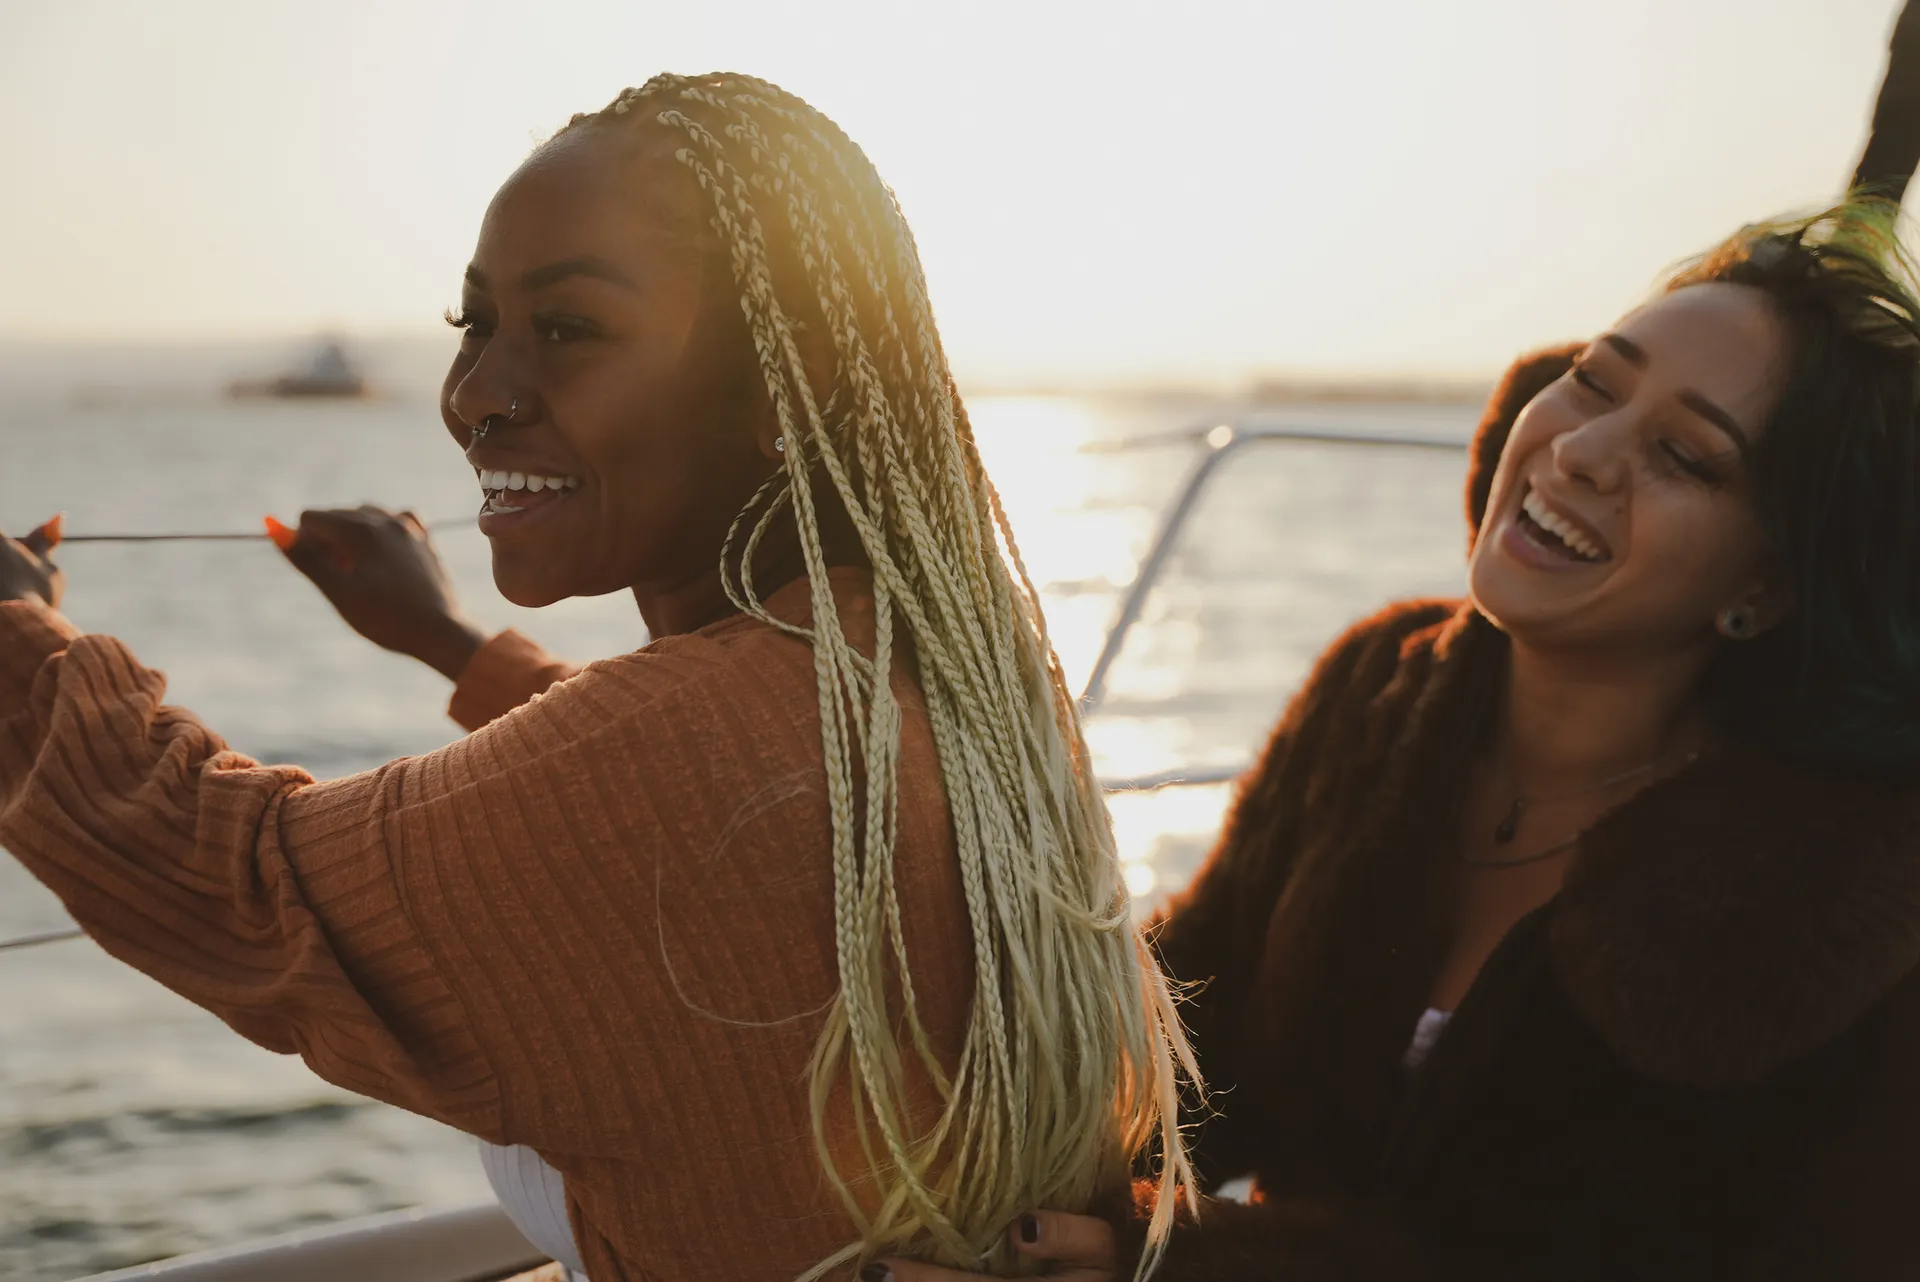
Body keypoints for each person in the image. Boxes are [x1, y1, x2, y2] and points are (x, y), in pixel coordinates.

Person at [0, 73, 1196, 1282]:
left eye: (567, 329)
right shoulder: (950, 677)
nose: (476, 398)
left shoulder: (687, 763)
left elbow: (236, 876)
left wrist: (16, 635)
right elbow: (682, 801)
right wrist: (455, 648)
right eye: (474, 325)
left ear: (788, 383)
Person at [879, 199, 1920, 1281]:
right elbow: (1186, 1036)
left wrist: (1176, 1265)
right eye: (1596, 382)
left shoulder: (1836, 893)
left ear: (1768, 583)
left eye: (1687, 456)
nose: (1584, 451)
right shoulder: (1382, 689)